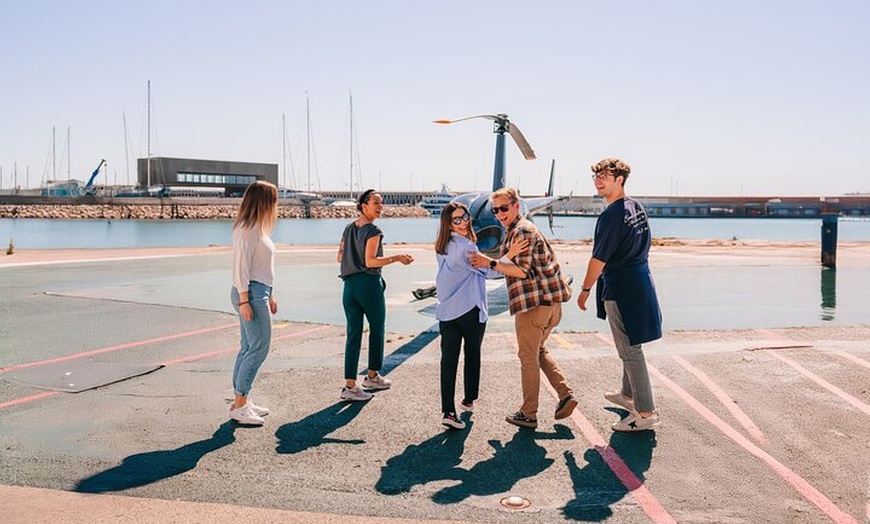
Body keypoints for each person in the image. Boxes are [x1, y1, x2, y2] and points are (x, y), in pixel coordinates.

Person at [469, 188, 577, 429]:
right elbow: (512, 261)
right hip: (551, 304)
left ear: (516, 206)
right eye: (495, 210)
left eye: (504, 208)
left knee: (527, 357)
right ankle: (565, 395)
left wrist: (491, 262)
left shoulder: (522, 231)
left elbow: (522, 271)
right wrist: (503, 257)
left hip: (534, 305)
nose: (499, 214)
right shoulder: (520, 229)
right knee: (538, 350)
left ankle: (528, 413)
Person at [576, 157, 663, 432]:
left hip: (622, 289)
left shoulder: (611, 215)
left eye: (605, 175)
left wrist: (585, 290)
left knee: (630, 351)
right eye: (596, 176)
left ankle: (645, 413)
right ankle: (628, 396)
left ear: (620, 179)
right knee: (632, 344)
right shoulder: (635, 206)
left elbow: (598, 261)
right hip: (640, 282)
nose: (599, 179)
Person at [434, 202, 528, 430]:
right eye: (456, 219)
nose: (463, 221)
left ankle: (449, 410)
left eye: (464, 216)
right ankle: (468, 398)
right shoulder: (467, 248)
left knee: (448, 361)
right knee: (472, 353)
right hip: (470, 308)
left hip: (446, 310)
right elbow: (491, 271)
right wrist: (511, 253)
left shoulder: (443, 247)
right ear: (448, 223)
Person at [338, 189, 414, 401]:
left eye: (381, 203)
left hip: (349, 286)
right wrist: (398, 257)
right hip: (368, 284)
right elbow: (371, 261)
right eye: (375, 203)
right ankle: (372, 376)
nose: (380, 206)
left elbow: (339, 256)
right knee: (377, 329)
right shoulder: (373, 230)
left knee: (353, 334)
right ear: (364, 206)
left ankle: (350, 385)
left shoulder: (348, 228)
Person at [228, 180, 279, 426]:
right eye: (274, 200)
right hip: (249, 293)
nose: (276, 205)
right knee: (258, 347)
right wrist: (246, 301)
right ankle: (239, 404)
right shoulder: (247, 229)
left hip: (259, 292)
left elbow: (262, 267)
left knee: (248, 347)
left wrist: (270, 295)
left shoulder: (258, 229)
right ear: (264, 201)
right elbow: (241, 269)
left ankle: (241, 400)